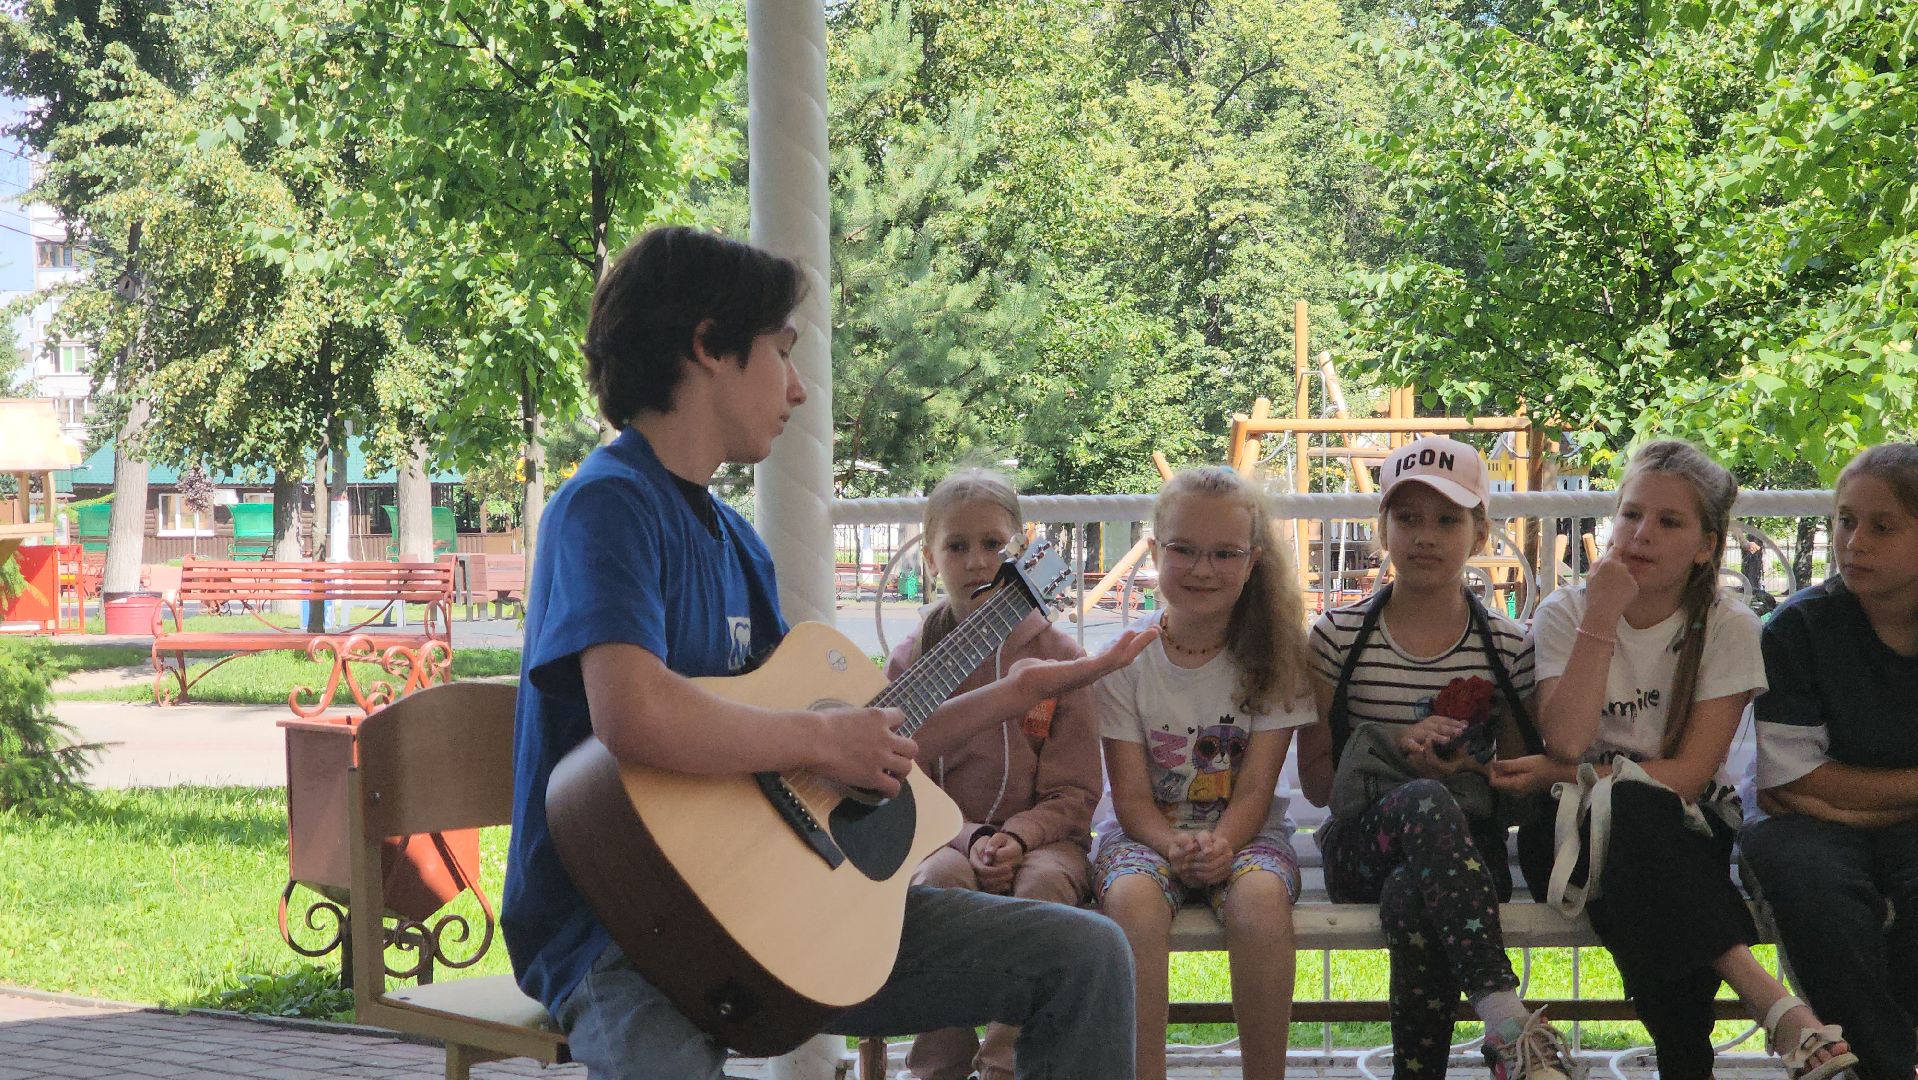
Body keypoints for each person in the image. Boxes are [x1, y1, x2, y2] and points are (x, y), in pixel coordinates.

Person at [500, 226, 1151, 1080]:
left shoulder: (738, 545)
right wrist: (819, 741)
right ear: (708, 346)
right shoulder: (608, 505)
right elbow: (634, 712)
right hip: (623, 928)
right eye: (781, 352)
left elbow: (851, 742)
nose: (800, 390)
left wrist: (1012, 688)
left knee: (1088, 957)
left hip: (772, 912)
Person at [1492, 439, 1854, 1080]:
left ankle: (1689, 1059)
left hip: (1682, 828)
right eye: (1630, 515)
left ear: (1706, 545)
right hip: (1565, 839)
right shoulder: (1566, 612)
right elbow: (1567, 742)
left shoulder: (1726, 625)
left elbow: (1688, 777)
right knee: (1638, 824)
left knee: (1641, 828)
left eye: (1669, 521)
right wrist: (1602, 616)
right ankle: (1769, 1005)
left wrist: (1567, 776)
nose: (1641, 535)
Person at [1296, 435, 1579, 1080]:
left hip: (1463, 859)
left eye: (1448, 520)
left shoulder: (1508, 646)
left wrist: (1470, 766)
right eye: (1408, 518)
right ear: (1383, 529)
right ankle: (1509, 1025)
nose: (1426, 537)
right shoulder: (1337, 638)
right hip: (1360, 844)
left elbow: (1518, 788)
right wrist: (1396, 747)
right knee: (1421, 806)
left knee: (1413, 895)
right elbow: (1316, 786)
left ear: (1479, 532)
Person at [1091, 466, 1312, 1080]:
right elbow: (1130, 798)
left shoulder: (1275, 658)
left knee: (1261, 900)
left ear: (1253, 561)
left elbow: (1257, 791)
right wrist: (1172, 844)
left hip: (1247, 836)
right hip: (1143, 838)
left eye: (1224, 554)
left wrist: (1221, 845)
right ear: (1156, 548)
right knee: (1132, 902)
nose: (1202, 569)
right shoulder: (1126, 662)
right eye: (1183, 550)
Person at [887, 468, 1102, 1080]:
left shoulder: (1061, 659)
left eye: (994, 546)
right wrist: (974, 839)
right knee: (937, 884)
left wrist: (1019, 837)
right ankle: (940, 1067)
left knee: (1042, 890)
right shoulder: (913, 660)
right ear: (931, 559)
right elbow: (906, 785)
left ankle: (1008, 1066)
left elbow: (1076, 789)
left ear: (1024, 552)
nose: (978, 562)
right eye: (957, 547)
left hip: (1045, 845)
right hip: (946, 841)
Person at [1742, 442, 1918, 1080]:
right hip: (1804, 830)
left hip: (1864, 821)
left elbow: (1817, 784)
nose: (1855, 542)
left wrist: (1846, 799)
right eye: (1845, 520)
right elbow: (1790, 785)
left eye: (1883, 525)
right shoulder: (1797, 630)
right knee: (1810, 883)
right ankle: (1887, 1067)